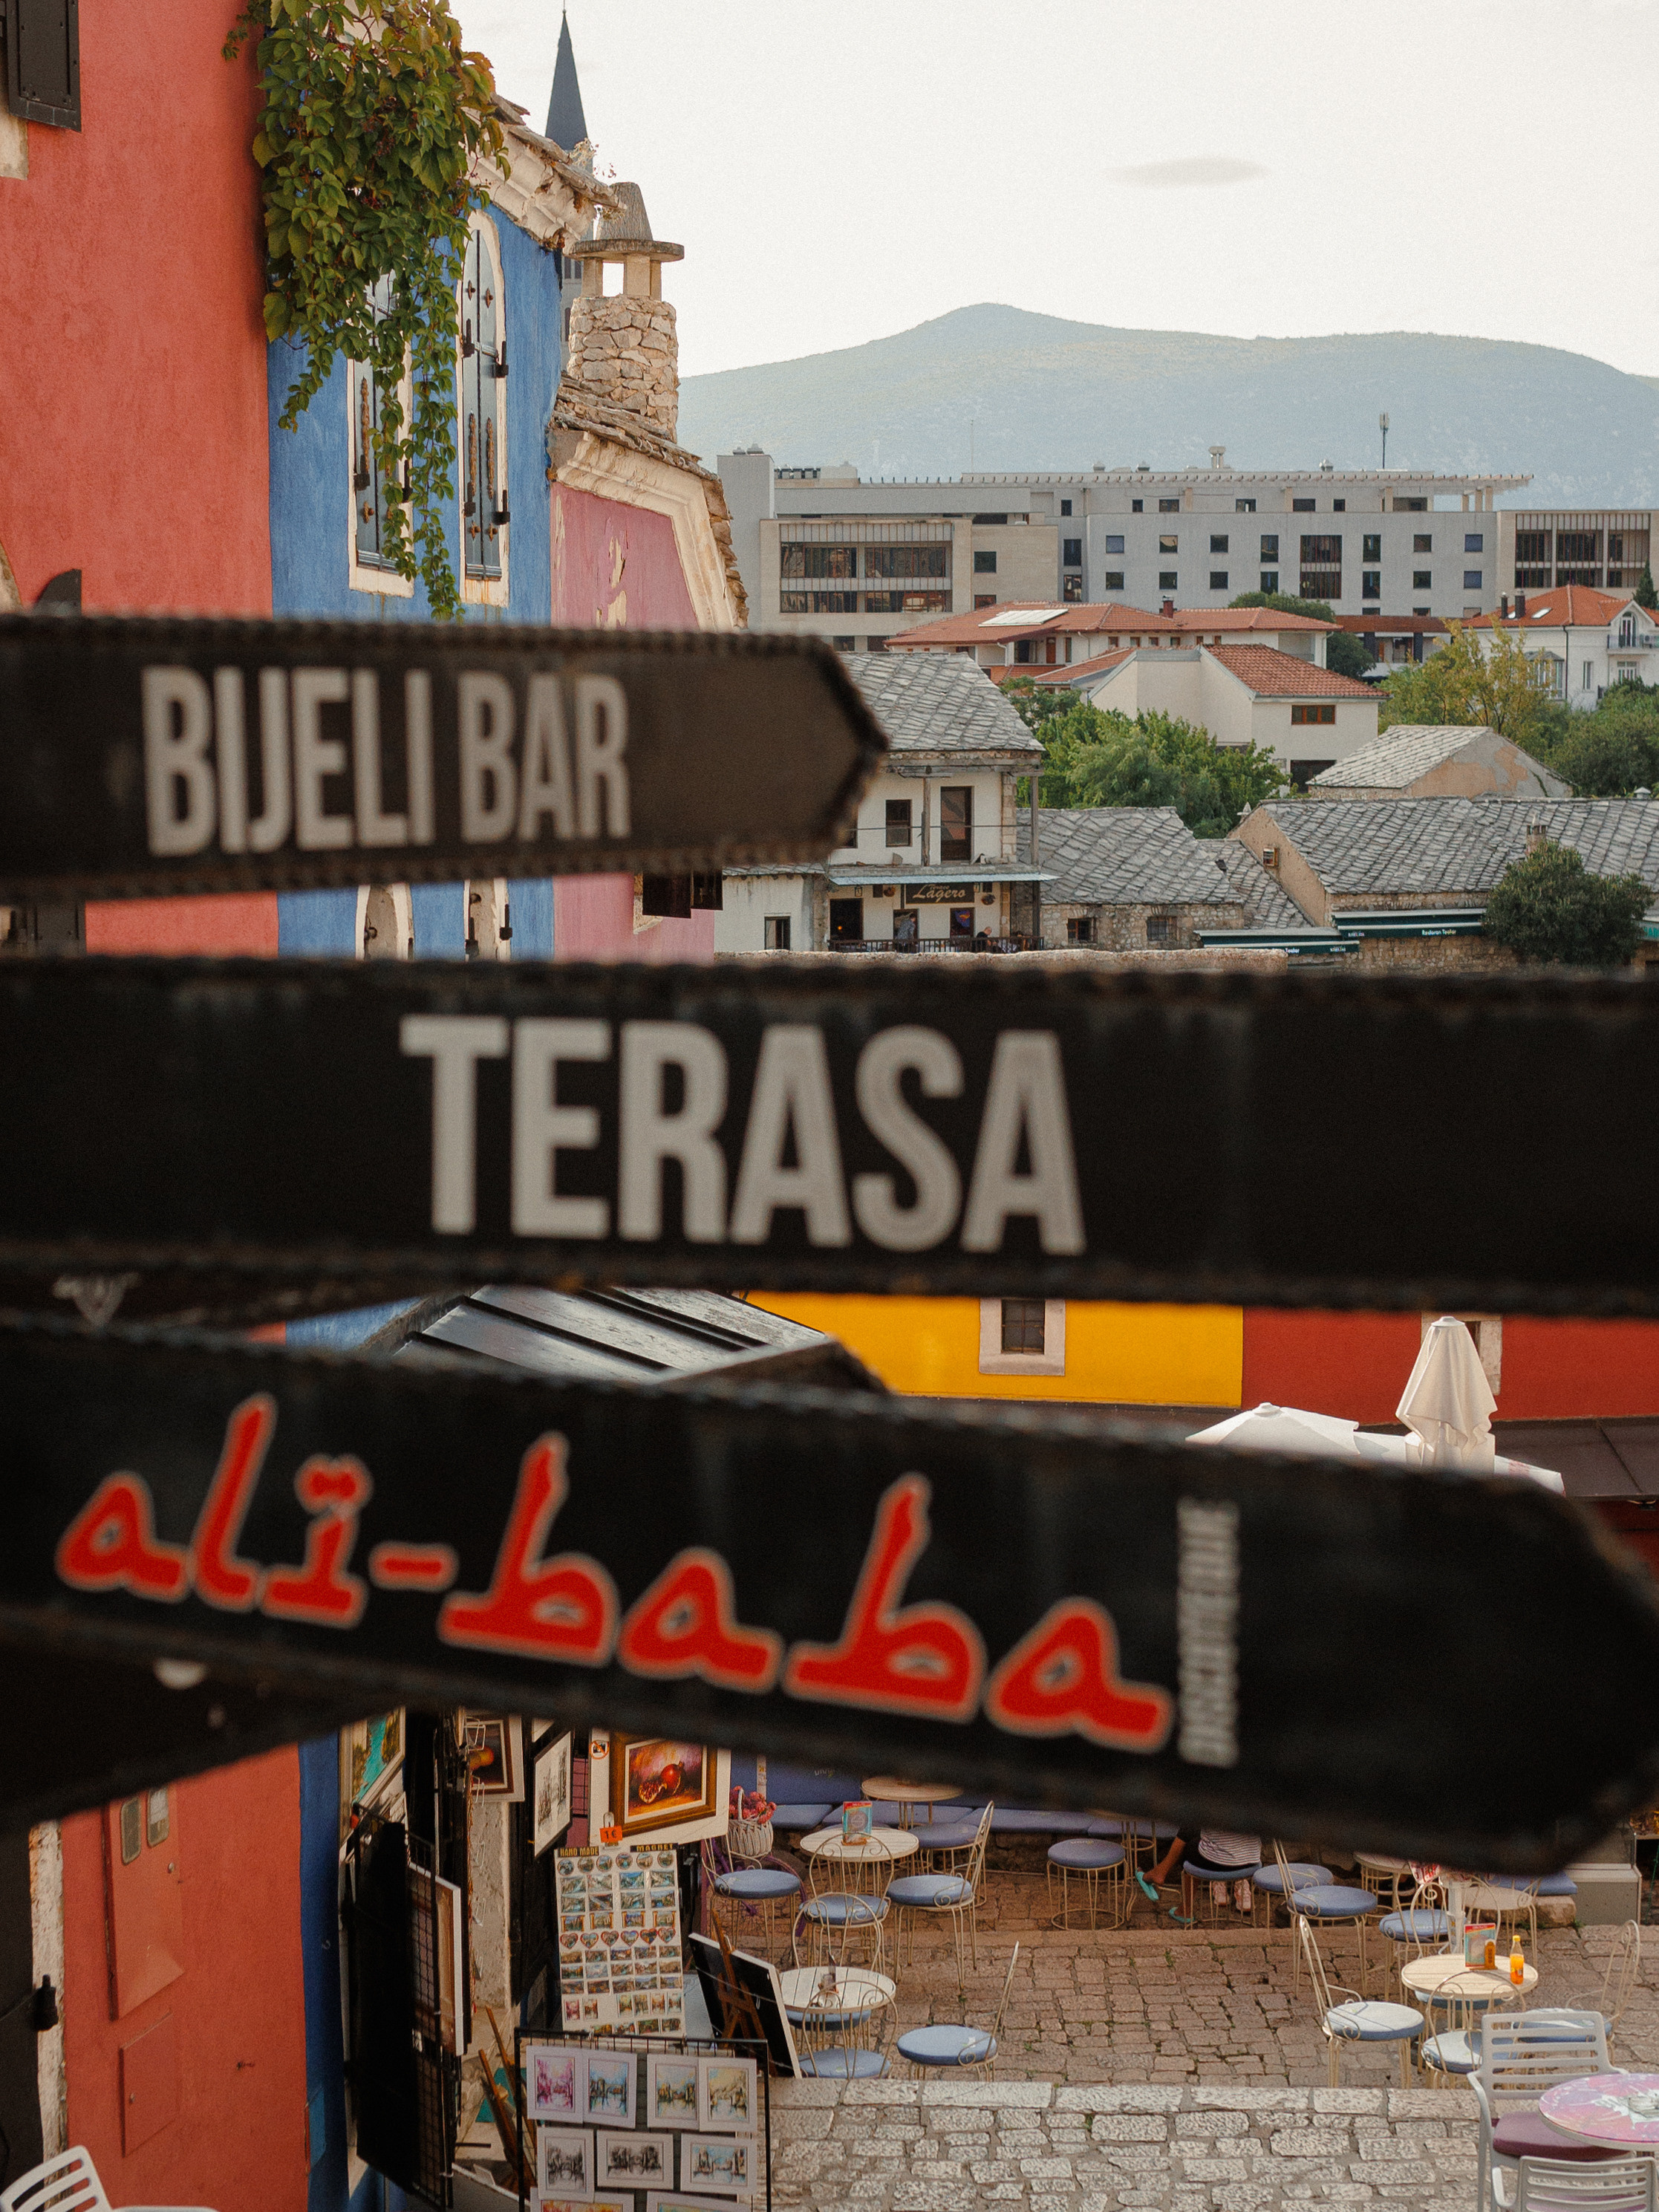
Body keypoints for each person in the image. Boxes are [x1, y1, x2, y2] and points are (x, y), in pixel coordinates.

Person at [1139, 1828, 1260, 1914]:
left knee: (1189, 1843)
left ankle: (1185, 1910)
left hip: (1218, 1861)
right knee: (1192, 1831)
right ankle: (1160, 1872)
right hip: (1252, 1860)